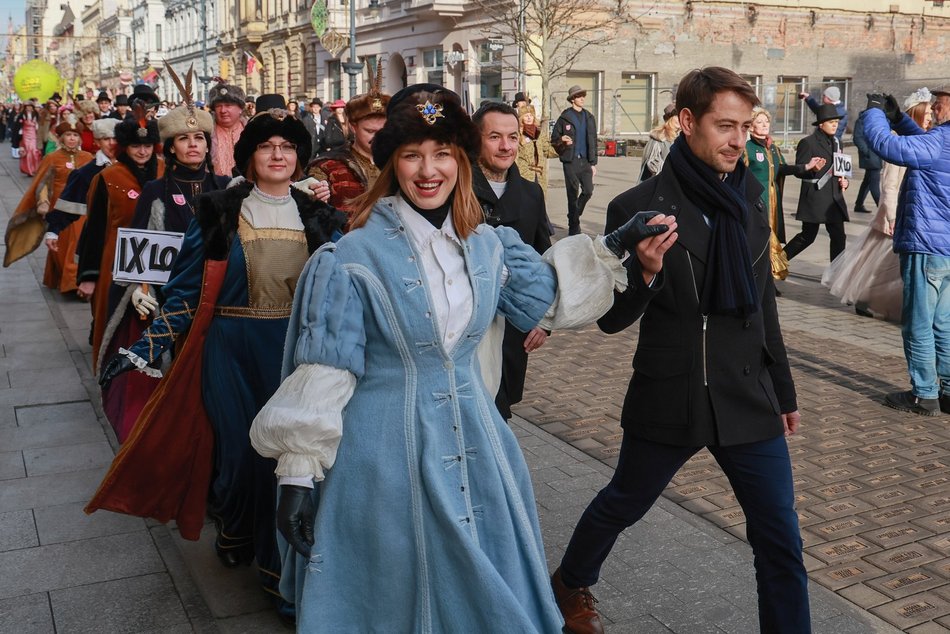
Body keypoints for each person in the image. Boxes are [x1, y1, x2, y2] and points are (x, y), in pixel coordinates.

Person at [248, 84, 658, 632]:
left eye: (442, 153)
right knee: (399, 597)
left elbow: (551, 299)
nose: (428, 170)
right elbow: (328, 365)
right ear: (391, 162)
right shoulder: (350, 255)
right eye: (412, 154)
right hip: (381, 459)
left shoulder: (489, 245)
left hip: (478, 444)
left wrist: (613, 248)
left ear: (460, 160)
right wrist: (298, 476)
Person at [552, 67, 809, 634]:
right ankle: (569, 583)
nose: (738, 139)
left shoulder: (751, 195)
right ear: (688, 122)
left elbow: (763, 302)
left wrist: (784, 390)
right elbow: (612, 322)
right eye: (725, 125)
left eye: (744, 126)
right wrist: (643, 271)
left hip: (748, 395)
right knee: (624, 501)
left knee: (781, 542)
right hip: (673, 394)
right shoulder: (635, 206)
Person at [91, 95, 346, 623]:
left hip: (297, 356)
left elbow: (346, 290)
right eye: (267, 148)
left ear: (300, 156)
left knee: (287, 460)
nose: (278, 156)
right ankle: (234, 524)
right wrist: (142, 349)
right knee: (238, 458)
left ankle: (281, 580)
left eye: (288, 148)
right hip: (229, 350)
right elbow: (185, 290)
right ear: (249, 156)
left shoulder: (324, 217)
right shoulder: (219, 210)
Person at [97, 67, 229, 443]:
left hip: (222, 302)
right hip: (172, 303)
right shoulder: (155, 191)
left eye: (199, 138)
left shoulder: (226, 186)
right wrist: (141, 290)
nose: (193, 145)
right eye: (183, 138)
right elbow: (141, 254)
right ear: (169, 146)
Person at [862, 88, 950, 416]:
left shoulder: (938, 141)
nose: (936, 109)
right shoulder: (940, 141)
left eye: (940, 105)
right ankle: (948, 391)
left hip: (926, 246)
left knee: (918, 323)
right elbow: (926, 146)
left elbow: (885, 144)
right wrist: (899, 118)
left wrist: (873, 112)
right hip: (946, 250)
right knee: (943, 321)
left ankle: (924, 394)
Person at [471, 101, 553, 420]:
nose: (506, 146)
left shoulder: (531, 194)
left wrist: (546, 319)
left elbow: (544, 261)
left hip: (512, 331)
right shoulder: (454, 187)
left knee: (501, 409)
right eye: (494, 137)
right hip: (466, 327)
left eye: (513, 137)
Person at [823, 89, 933, 323]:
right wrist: (892, 218)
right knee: (878, 265)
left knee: (889, 268)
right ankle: (865, 299)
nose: (931, 117)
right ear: (918, 113)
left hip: (910, 217)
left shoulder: (925, 140)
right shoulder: (903, 141)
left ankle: (890, 303)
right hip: (894, 217)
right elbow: (890, 185)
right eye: (928, 113)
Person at [76, 117, 164, 369]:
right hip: (115, 261)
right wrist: (89, 275)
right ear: (124, 146)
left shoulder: (164, 171)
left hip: (158, 258)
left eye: (147, 145)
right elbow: (94, 228)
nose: (142, 151)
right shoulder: (107, 177)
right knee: (116, 320)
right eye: (136, 145)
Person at [3, 113, 94, 292]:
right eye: (68, 135)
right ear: (61, 138)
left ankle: (73, 284)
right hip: (59, 208)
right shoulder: (52, 157)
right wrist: (42, 202)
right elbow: (42, 183)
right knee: (60, 247)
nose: (72, 138)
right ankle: (63, 279)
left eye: (75, 135)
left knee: (77, 246)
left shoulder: (88, 158)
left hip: (82, 209)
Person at [743, 107, 824, 281]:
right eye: (759, 122)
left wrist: (807, 167)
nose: (764, 125)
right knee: (762, 240)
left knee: (772, 240)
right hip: (756, 203)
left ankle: (767, 281)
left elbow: (784, 169)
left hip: (773, 201)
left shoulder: (774, 149)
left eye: (767, 122)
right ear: (750, 127)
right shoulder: (747, 148)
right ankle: (757, 279)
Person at [43, 118, 121, 298]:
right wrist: (53, 231)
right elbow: (68, 203)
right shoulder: (87, 172)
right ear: (97, 142)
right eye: (106, 139)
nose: (111, 143)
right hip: (100, 237)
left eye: (115, 138)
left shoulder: (133, 168)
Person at [307, 73, 389, 216]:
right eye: (370, 131)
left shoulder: (398, 161)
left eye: (383, 130)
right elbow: (312, 206)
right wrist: (318, 193)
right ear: (353, 127)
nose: (378, 137)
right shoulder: (328, 166)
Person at [784, 104, 850, 264]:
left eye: (836, 122)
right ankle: (776, 262)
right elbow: (799, 171)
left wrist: (845, 181)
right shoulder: (808, 143)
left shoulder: (837, 142)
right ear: (821, 124)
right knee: (807, 237)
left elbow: (841, 169)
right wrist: (812, 169)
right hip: (815, 197)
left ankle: (835, 274)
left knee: (839, 236)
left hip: (834, 198)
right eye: (831, 122)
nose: (835, 125)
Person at [552, 85, 597, 235]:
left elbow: (593, 140)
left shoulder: (589, 117)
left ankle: (574, 215)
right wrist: (561, 140)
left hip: (585, 161)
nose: (582, 98)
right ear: (572, 99)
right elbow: (554, 140)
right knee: (572, 193)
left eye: (583, 95)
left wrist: (593, 163)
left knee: (588, 191)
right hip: (570, 161)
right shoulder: (564, 117)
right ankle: (574, 228)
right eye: (579, 96)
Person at [515, 104, 557, 193]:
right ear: (521, 118)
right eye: (526, 116)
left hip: (540, 175)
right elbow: (515, 156)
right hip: (524, 174)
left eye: (531, 115)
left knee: (539, 201)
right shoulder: (517, 134)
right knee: (526, 202)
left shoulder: (540, 133)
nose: (529, 118)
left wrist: (563, 146)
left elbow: (547, 150)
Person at [209, 81, 247, 176]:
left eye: (228, 106)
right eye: (218, 106)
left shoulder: (252, 131)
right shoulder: (206, 133)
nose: (223, 110)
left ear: (240, 109)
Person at [638, 103, 680, 182]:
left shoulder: (680, 137)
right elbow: (652, 164)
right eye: (677, 116)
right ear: (670, 119)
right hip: (661, 184)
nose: (680, 119)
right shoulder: (659, 137)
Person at [852, 105, 882, 213]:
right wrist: (867, 152)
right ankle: (882, 209)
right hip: (871, 156)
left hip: (876, 155)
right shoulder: (862, 120)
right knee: (874, 183)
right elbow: (857, 137)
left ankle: (859, 204)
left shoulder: (878, 119)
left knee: (867, 181)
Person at [18, 101, 41, 176]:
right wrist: (20, 131)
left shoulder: (36, 114)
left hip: (33, 134)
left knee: (34, 151)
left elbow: (39, 124)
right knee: (28, 151)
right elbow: (18, 124)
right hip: (25, 134)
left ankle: (35, 168)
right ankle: (28, 170)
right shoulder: (22, 115)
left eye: (30, 106)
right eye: (27, 106)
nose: (29, 108)